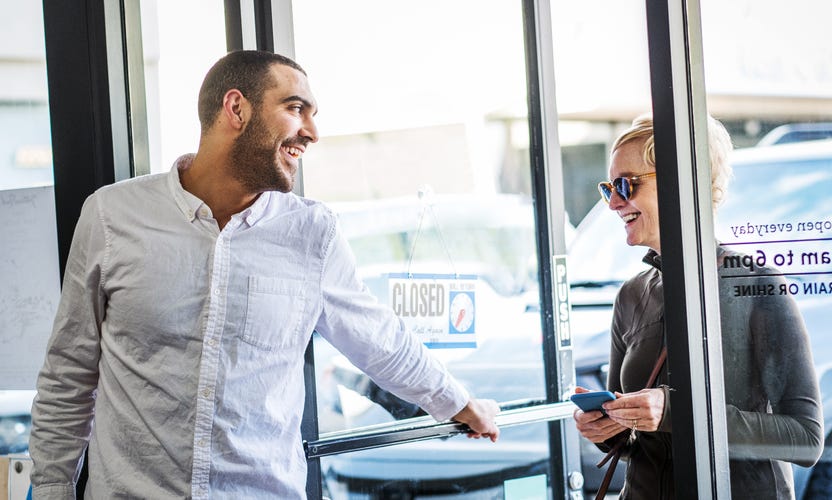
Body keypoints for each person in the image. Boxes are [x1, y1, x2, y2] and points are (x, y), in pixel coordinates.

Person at [28, 50, 500, 499]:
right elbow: (69, 372)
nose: (311, 132)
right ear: (236, 108)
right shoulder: (112, 215)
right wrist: (53, 490)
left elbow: (379, 338)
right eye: (297, 108)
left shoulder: (313, 232)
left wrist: (457, 402)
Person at [573, 113, 824, 499]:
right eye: (609, 188)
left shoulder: (755, 283)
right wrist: (606, 430)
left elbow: (806, 438)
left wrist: (675, 411)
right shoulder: (630, 295)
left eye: (626, 185)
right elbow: (634, 442)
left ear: (681, 183)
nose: (614, 203)